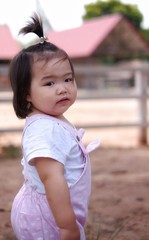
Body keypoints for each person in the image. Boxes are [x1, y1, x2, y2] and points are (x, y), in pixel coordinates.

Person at [10, 13, 99, 240]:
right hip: (48, 219)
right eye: (49, 83)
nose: (62, 88)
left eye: (67, 79)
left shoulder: (52, 119)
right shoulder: (45, 130)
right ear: (26, 93)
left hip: (50, 212)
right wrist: (66, 225)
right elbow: (52, 178)